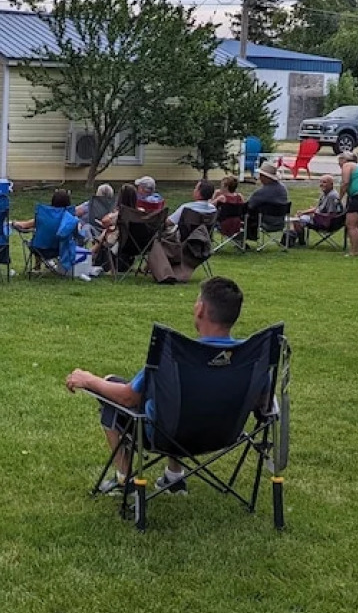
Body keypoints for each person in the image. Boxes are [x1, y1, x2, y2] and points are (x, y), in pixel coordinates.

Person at [66, 276, 246, 493]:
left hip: (166, 435)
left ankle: (125, 479)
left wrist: (88, 380)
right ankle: (174, 477)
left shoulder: (176, 356)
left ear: (200, 309)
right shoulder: (249, 358)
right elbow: (263, 404)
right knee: (178, 401)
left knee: (110, 386)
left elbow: (127, 397)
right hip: (223, 435)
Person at [290, 174, 343, 243]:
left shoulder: (332, 196)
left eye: (324, 182)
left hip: (325, 223)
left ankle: (300, 242)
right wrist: (303, 212)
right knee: (298, 216)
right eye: (320, 182)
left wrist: (315, 215)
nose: (321, 184)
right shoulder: (326, 194)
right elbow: (318, 208)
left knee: (297, 220)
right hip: (320, 218)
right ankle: (295, 240)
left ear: (331, 184)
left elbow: (331, 215)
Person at [246, 161, 290, 233]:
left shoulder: (262, 192)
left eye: (261, 175)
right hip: (281, 221)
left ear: (266, 177)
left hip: (266, 222)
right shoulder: (283, 188)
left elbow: (249, 205)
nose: (259, 177)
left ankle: (244, 238)